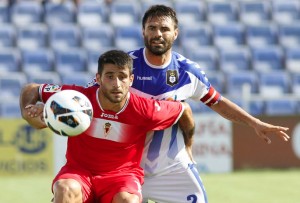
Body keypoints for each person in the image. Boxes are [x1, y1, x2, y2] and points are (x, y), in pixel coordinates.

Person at [85, 5, 290, 203]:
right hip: (126, 170)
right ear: (143, 32)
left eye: (164, 29)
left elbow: (218, 102)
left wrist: (254, 122)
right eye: (152, 28)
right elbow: (88, 96)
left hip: (173, 168)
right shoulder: (124, 67)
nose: (158, 33)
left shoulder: (187, 72)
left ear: (175, 33)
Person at [20, 50, 194, 203]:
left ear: (131, 79)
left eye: (122, 77)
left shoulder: (145, 110)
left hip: (122, 176)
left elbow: (184, 110)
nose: (117, 84)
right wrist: (27, 113)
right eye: (110, 76)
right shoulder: (77, 98)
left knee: (128, 200)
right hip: (79, 172)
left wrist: (188, 146)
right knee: (65, 189)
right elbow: (32, 89)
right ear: (98, 78)